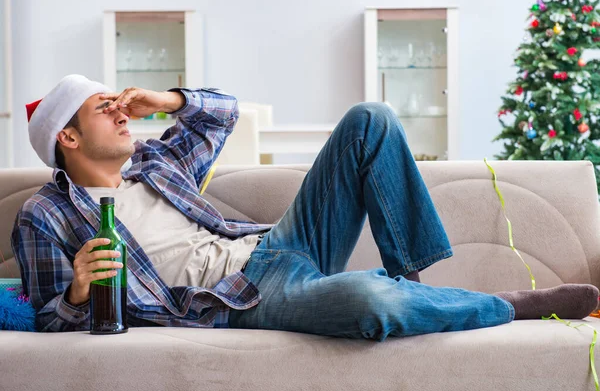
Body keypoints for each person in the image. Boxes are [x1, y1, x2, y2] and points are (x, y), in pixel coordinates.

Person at [12, 74, 599, 339]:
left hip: (278, 246)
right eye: (104, 109)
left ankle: (412, 280)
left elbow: (221, 113)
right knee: (368, 303)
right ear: (67, 138)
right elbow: (43, 316)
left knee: (370, 119)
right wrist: (77, 293)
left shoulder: (155, 162)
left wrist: (165, 99)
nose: (121, 114)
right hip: (234, 297)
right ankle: (506, 306)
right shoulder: (45, 215)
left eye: (120, 104)